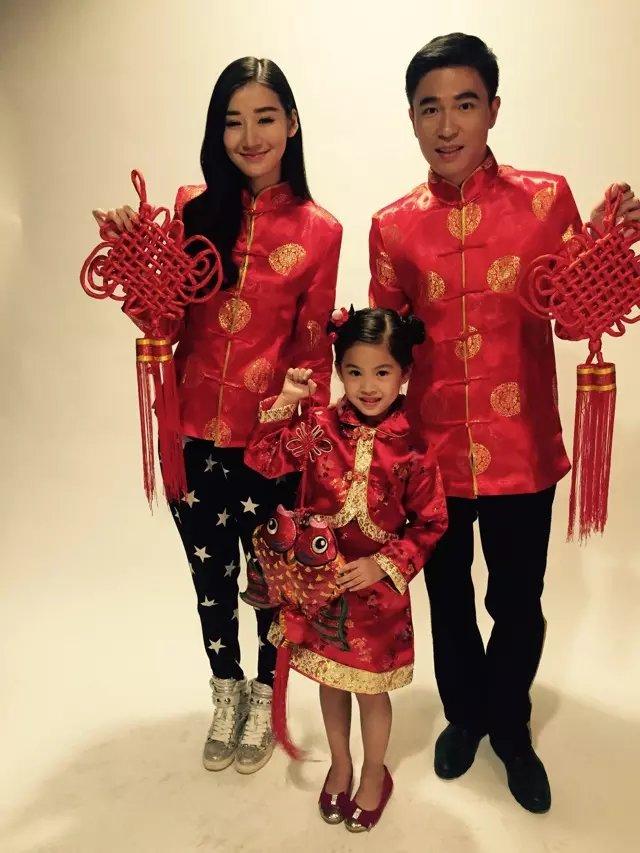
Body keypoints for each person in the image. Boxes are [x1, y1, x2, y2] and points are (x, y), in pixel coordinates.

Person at [369, 32, 640, 813]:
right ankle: (466, 715)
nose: (447, 124)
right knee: (449, 595)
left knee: (517, 600)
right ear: (411, 119)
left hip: (523, 448)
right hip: (431, 454)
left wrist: (605, 246)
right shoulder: (393, 226)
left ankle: (510, 724)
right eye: (429, 108)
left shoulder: (547, 200)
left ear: (493, 108)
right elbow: (384, 349)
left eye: (464, 104)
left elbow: (575, 314)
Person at [92, 56, 342, 775]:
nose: (250, 137)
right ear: (217, 131)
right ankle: (224, 691)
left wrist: (305, 437)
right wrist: (133, 255)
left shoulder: (320, 230)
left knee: (267, 579)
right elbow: (164, 320)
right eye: (233, 122)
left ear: (292, 124)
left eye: (265, 118)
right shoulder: (192, 209)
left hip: (269, 442)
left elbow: (313, 346)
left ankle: (265, 694)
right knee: (210, 577)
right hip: (191, 432)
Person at [244, 307, 447, 831]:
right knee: (330, 682)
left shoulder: (414, 446)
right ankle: (340, 762)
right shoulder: (319, 428)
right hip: (320, 588)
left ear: (404, 373)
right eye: (354, 371)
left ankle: (375, 771)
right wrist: (287, 401)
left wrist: (383, 564)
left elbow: (430, 523)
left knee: (370, 691)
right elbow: (263, 460)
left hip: (377, 597)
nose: (368, 386)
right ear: (338, 371)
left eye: (382, 372)